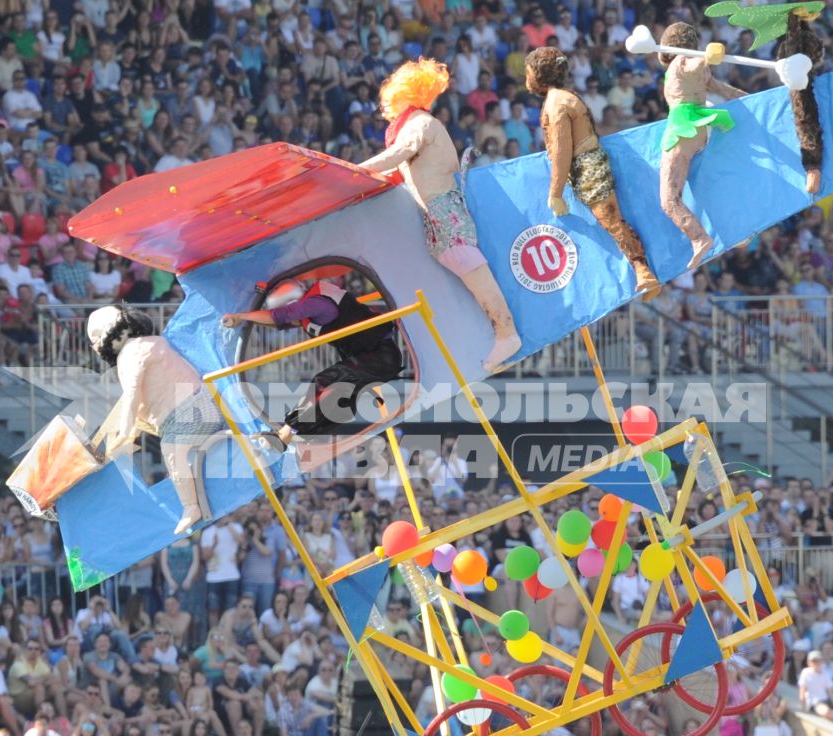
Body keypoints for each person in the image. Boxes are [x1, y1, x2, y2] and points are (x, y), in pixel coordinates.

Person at [356, 58, 520, 370]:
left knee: (466, 263)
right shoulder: (417, 125)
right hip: (434, 211)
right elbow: (397, 167)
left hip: (443, 206)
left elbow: (398, 155)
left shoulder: (421, 124)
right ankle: (495, 334)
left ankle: (506, 332)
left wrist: (355, 170)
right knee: (458, 266)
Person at [527, 45, 658, 297]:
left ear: (539, 73)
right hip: (584, 167)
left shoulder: (557, 103)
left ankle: (642, 270)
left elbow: (562, 150)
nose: (527, 77)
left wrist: (555, 193)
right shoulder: (563, 97)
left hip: (586, 167)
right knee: (609, 219)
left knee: (610, 219)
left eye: (529, 71)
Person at [84, 305, 220, 535]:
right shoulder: (156, 342)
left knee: (172, 450)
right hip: (200, 405)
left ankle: (191, 507)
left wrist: (125, 433)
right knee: (169, 443)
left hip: (185, 414)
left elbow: (132, 395)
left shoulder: (129, 354)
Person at [223, 278, 405, 447]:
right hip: (372, 357)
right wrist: (245, 319)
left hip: (381, 356)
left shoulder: (318, 303)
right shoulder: (310, 308)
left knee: (325, 381)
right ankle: (296, 437)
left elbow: (281, 316)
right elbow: (280, 322)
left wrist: (242, 316)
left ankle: (287, 432)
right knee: (340, 400)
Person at [655, 20, 746, 268]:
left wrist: (707, 56)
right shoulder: (694, 68)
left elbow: (694, 64)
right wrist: (757, 100)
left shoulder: (681, 61)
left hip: (683, 126)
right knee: (704, 185)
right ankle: (738, 229)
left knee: (669, 199)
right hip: (702, 128)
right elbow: (725, 90)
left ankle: (699, 238)